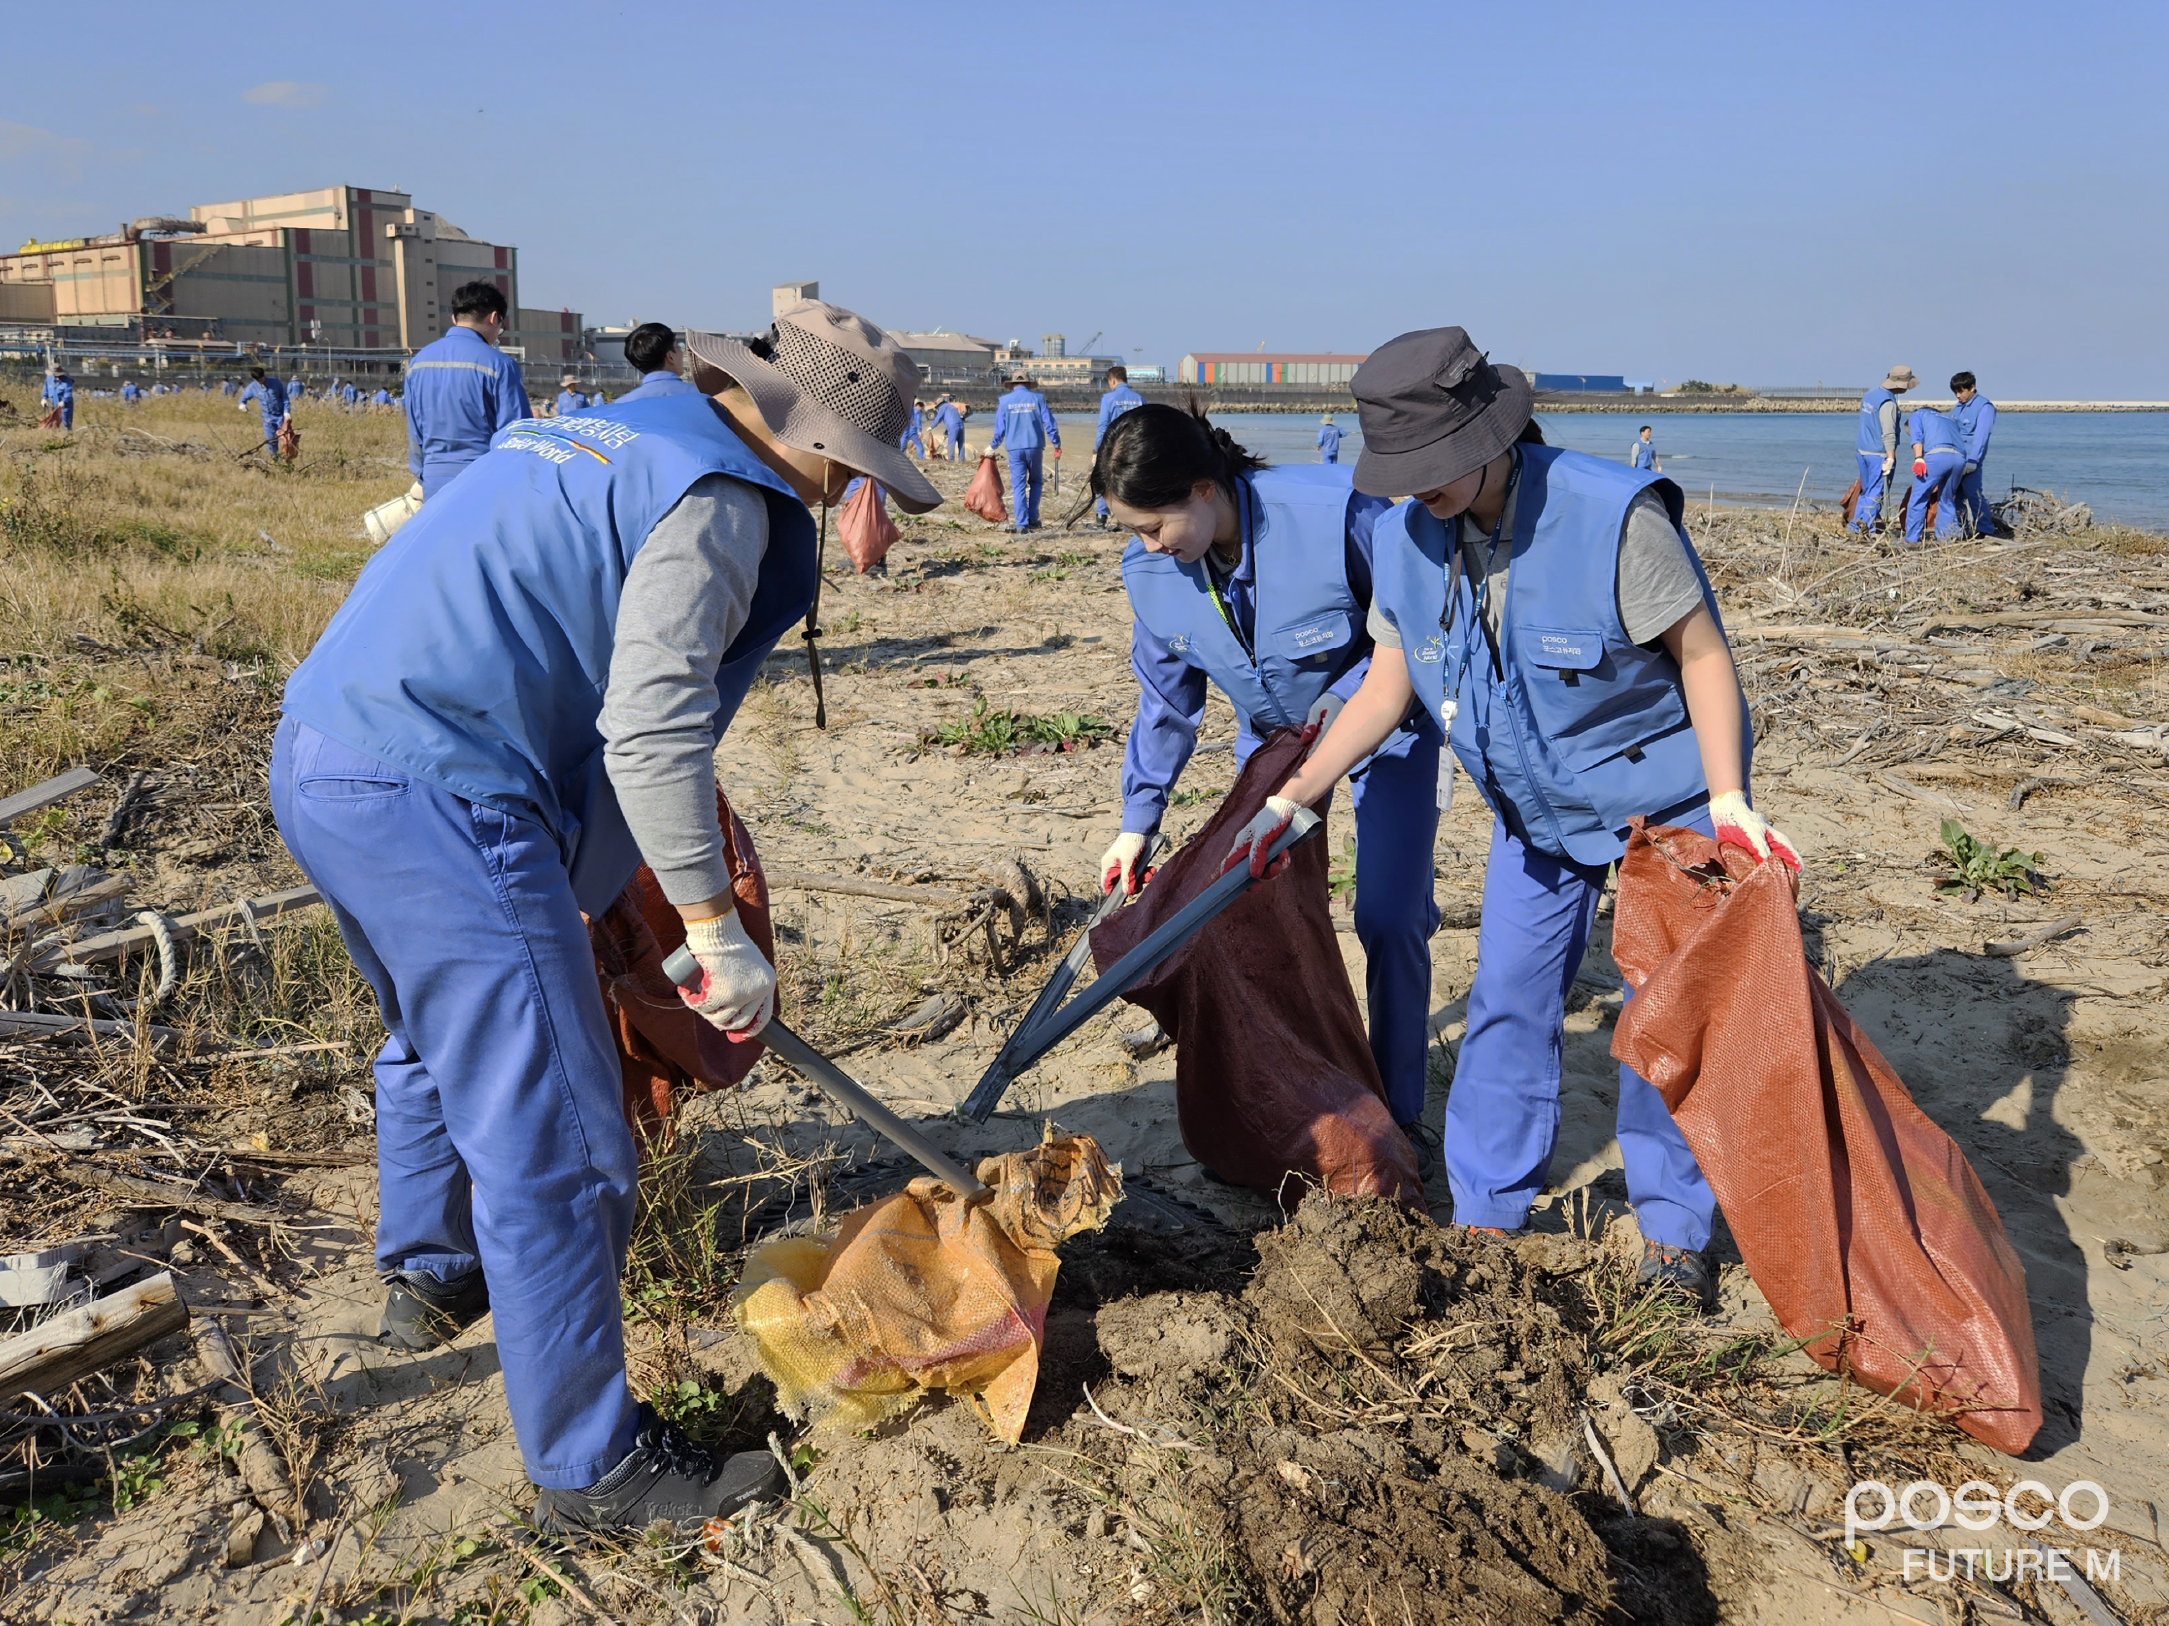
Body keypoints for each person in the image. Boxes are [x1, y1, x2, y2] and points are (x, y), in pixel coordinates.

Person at [273, 298, 942, 1531]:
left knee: (433, 1032)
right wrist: (710, 927)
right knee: (564, 1140)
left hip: (328, 748)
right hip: (445, 787)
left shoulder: (613, 428)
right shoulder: (721, 504)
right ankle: (592, 1470)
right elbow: (649, 728)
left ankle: (433, 1276)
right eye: (859, 464)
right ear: (825, 443)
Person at [1231, 326, 1800, 1306]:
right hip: (1533, 818)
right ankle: (1487, 1216)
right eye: (1407, 472)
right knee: (1506, 1007)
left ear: (1494, 430)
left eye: (1439, 465)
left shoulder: (1612, 516)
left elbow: (1702, 655)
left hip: (1656, 807)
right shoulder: (1409, 535)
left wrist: (1729, 798)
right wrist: (1297, 791)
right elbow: (1387, 683)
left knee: (1663, 1022)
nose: (1426, 487)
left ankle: (1673, 1238)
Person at [1087, 403, 1446, 1177]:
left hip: (1387, 730)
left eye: (1154, 525)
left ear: (1205, 489)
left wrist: (1348, 689)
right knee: (1265, 911)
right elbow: (1166, 702)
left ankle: (1400, 1103)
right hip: (1273, 747)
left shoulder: (1337, 515)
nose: (1147, 546)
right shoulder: (1151, 568)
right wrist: (1135, 822)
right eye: (1131, 531)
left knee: (1387, 915)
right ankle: (1320, 1087)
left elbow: (1413, 624)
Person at [403, 281, 532, 498]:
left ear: (455, 318)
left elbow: (415, 433)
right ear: (494, 318)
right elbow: (517, 434)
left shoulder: (418, 363)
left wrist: (424, 475)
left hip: (434, 480)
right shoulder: (499, 364)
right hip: (483, 479)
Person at [989, 375, 1060, 531]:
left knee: (1018, 486)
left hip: (1014, 448)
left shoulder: (1004, 401)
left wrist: (992, 447)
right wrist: (1056, 443)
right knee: (1035, 482)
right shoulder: (1038, 399)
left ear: (1012, 385)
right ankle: (1033, 517)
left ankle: (1022, 523)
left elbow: (1000, 429)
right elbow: (1049, 424)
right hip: (1034, 446)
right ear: (1028, 384)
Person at [1850, 364, 1915, 533]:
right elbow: (1888, 433)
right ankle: (1863, 528)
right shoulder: (1888, 403)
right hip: (1879, 453)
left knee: (1866, 491)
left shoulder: (1870, 395)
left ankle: (1856, 525)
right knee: (1875, 494)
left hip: (1862, 450)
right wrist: (1891, 457)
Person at [1903, 399, 1965, 544]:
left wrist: (1918, 458)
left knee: (1919, 498)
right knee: (1947, 499)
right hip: (1959, 458)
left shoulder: (1917, 415)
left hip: (1937, 456)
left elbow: (1917, 439)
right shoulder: (1948, 419)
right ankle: (1947, 537)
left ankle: (1911, 539)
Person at [1093, 366, 1145, 523]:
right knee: (1130, 480)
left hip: (1114, 445)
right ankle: (1129, 518)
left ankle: (1102, 515)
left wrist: (1097, 449)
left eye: (1109, 382)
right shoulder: (1139, 398)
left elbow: (1103, 426)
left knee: (1106, 476)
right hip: (1134, 445)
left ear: (1113, 380)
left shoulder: (1108, 399)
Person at [1950, 372, 1996, 536]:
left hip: (1970, 460)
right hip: (1955, 458)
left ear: (1972, 387)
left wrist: (1973, 460)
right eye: (1955, 392)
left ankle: (1985, 530)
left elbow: (1981, 437)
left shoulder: (1984, 407)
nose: (1958, 395)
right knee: (1955, 496)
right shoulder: (1957, 407)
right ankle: (1963, 530)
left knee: (1973, 494)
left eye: (1961, 391)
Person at [616, 323, 695, 403]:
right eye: (679, 346)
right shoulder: (702, 398)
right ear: (670, 357)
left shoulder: (620, 404)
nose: (681, 352)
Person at [237, 367, 290, 457]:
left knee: (285, 439)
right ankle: (274, 459)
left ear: (264, 375)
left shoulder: (276, 382)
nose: (260, 381)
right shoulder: (253, 387)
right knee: (271, 440)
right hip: (267, 418)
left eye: (261, 379)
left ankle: (287, 458)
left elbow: (285, 398)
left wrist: (286, 412)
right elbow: (244, 398)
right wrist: (242, 405)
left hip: (281, 416)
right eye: (258, 380)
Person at [936, 395, 965, 462]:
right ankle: (962, 460)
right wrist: (946, 432)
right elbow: (952, 419)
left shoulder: (942, 408)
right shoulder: (952, 407)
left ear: (940, 405)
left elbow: (937, 419)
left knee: (951, 443)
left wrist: (931, 427)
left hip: (953, 426)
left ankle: (951, 460)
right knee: (961, 443)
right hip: (961, 425)